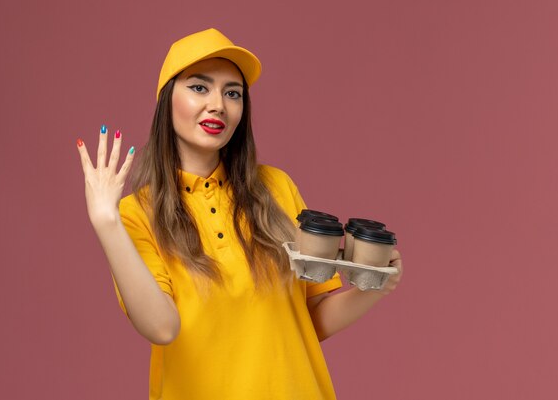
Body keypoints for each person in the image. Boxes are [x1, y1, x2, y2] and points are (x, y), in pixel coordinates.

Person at [76, 28, 402, 400]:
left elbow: (309, 319)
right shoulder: (136, 214)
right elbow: (162, 328)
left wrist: (377, 286)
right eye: (199, 87)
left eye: (232, 93)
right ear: (167, 100)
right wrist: (107, 223)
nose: (218, 104)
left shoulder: (277, 188)